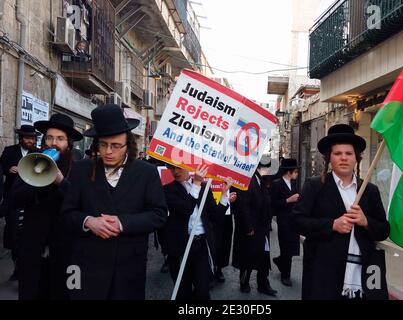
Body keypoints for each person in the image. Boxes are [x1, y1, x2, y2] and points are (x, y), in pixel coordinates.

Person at [61, 104, 167, 300]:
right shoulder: (81, 170)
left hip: (128, 268)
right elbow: (67, 214)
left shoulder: (146, 172)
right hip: (84, 266)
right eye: (103, 144)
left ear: (128, 143)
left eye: (116, 145)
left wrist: (122, 223)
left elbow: (159, 215)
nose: (108, 151)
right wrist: (88, 222)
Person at [293, 124, 390, 300]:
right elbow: (297, 221)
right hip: (324, 274)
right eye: (338, 154)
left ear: (356, 158)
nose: (343, 158)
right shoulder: (314, 186)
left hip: (362, 274)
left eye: (349, 153)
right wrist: (332, 225)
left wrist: (365, 221)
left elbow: (384, 230)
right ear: (329, 158)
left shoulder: (369, 190)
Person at [11, 114, 83, 299]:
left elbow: (83, 203)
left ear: (69, 143)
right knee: (31, 292)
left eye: (60, 139)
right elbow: (12, 201)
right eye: (49, 138)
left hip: (67, 250)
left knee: (65, 293)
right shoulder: (32, 163)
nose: (54, 143)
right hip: (33, 247)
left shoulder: (79, 169)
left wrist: (61, 182)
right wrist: (32, 178)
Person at [163, 163, 231, 300]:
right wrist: (197, 184)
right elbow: (186, 209)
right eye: (172, 168)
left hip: (201, 246)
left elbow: (216, 217)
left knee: (203, 291)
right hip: (180, 247)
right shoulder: (168, 190)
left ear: (188, 166)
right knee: (182, 291)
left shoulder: (205, 188)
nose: (175, 171)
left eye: (179, 167)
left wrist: (224, 195)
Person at [231, 155, 278, 297]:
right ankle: (244, 282)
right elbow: (243, 206)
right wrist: (248, 227)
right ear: (259, 168)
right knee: (247, 257)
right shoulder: (247, 181)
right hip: (250, 228)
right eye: (267, 168)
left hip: (262, 227)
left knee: (263, 257)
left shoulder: (262, 181)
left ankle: (263, 284)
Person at [0, 124, 40, 281]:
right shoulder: (10, 151)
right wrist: (8, 169)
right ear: (21, 138)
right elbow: (2, 167)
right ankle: (17, 264)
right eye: (27, 138)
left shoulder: (38, 153)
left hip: (31, 199)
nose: (29, 141)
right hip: (13, 199)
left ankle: (25, 267)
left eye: (32, 138)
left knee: (28, 234)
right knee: (13, 233)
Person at [270, 158, 300, 287]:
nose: (297, 173)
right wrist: (288, 200)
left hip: (294, 220)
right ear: (289, 172)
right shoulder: (277, 184)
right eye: (295, 171)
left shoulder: (294, 184)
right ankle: (285, 275)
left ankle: (279, 260)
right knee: (286, 248)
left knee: (292, 248)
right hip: (283, 221)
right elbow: (272, 204)